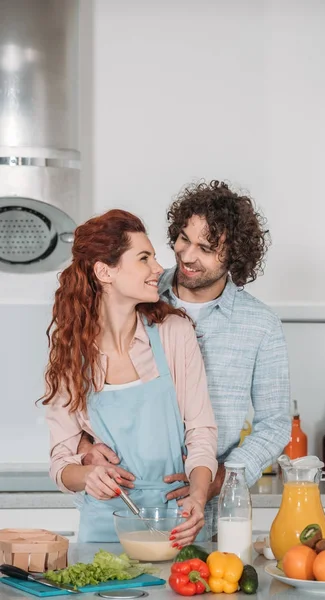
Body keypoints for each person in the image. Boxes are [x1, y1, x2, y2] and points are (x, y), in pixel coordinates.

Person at [79, 180, 291, 535]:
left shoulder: (260, 325)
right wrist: (84, 445)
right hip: (124, 500)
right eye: (183, 239)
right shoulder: (135, 291)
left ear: (234, 257)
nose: (188, 255)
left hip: (206, 513)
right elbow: (76, 390)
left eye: (206, 248)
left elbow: (274, 425)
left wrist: (219, 478)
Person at [41, 209, 218, 545]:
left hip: (174, 521)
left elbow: (201, 430)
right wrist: (89, 474)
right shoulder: (69, 351)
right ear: (105, 271)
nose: (158, 269)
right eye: (144, 258)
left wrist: (197, 496)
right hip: (103, 526)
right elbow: (61, 462)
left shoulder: (174, 334)